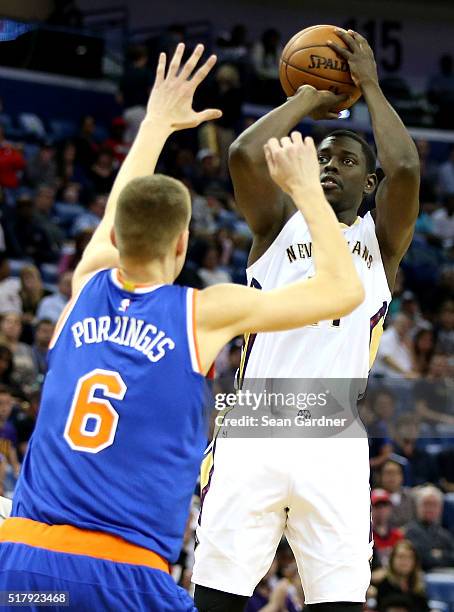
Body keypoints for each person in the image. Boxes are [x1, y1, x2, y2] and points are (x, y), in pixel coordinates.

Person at [0, 43, 364, 611]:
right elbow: (344, 291)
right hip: (121, 576)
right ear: (183, 243)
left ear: (115, 239)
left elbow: (119, 210)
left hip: (22, 568)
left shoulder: (84, 287)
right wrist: (307, 192)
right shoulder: (202, 311)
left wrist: (155, 124)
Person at [193, 28, 420, 612]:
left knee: (338, 601)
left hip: (334, 436)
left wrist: (367, 83)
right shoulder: (276, 227)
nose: (330, 165)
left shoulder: (381, 241)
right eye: (322, 157)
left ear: (368, 185)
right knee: (217, 597)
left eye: (346, 160)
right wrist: (308, 96)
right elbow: (244, 153)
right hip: (256, 427)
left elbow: (405, 169)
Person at [405, 485, 454, 571]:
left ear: (440, 509)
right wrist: (443, 555)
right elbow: (423, 559)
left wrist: (438, 554)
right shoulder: (411, 531)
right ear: (418, 507)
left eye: (434, 505)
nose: (430, 508)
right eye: (426, 504)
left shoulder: (444, 533)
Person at [375, 540, 429, 612]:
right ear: (392, 560)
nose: (405, 561)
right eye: (401, 556)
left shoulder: (418, 586)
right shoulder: (383, 583)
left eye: (410, 557)